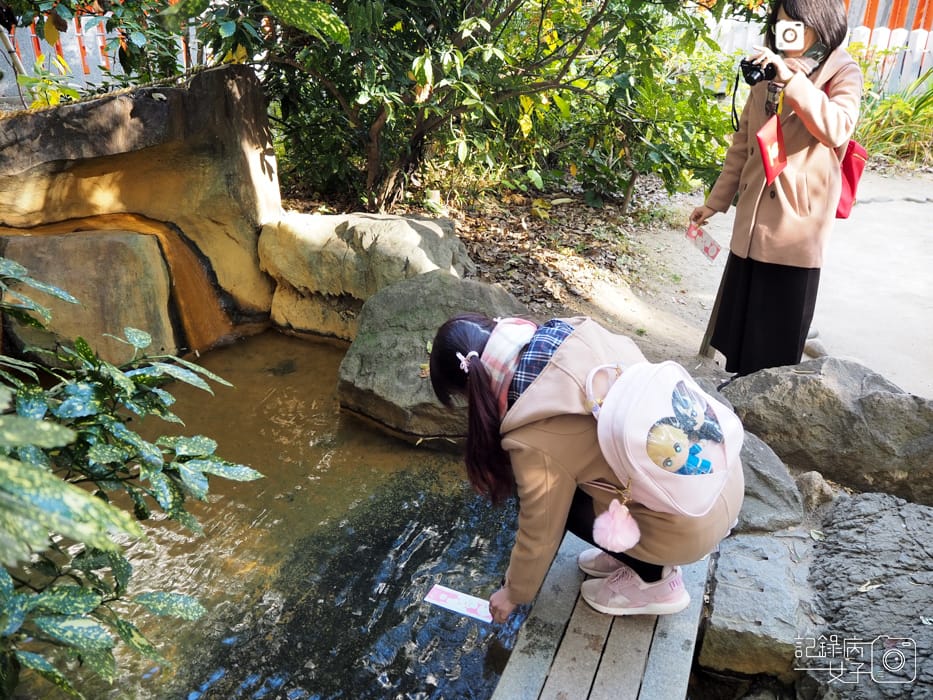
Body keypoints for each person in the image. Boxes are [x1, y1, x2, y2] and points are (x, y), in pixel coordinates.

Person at [428, 314, 744, 623]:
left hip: (689, 526)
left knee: (554, 503)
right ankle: (633, 553)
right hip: (719, 480)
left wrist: (514, 592)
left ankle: (655, 580)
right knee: (578, 474)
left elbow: (540, 531)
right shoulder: (572, 331)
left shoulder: (533, 433)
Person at [690, 0, 862, 377]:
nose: (788, 34)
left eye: (796, 25)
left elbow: (837, 127)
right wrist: (715, 202)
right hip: (753, 225)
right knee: (741, 337)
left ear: (821, 24)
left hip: (795, 228)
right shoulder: (768, 71)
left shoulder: (841, 71)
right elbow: (743, 143)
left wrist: (792, 80)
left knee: (775, 344)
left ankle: (765, 416)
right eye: (782, 25)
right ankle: (739, 402)